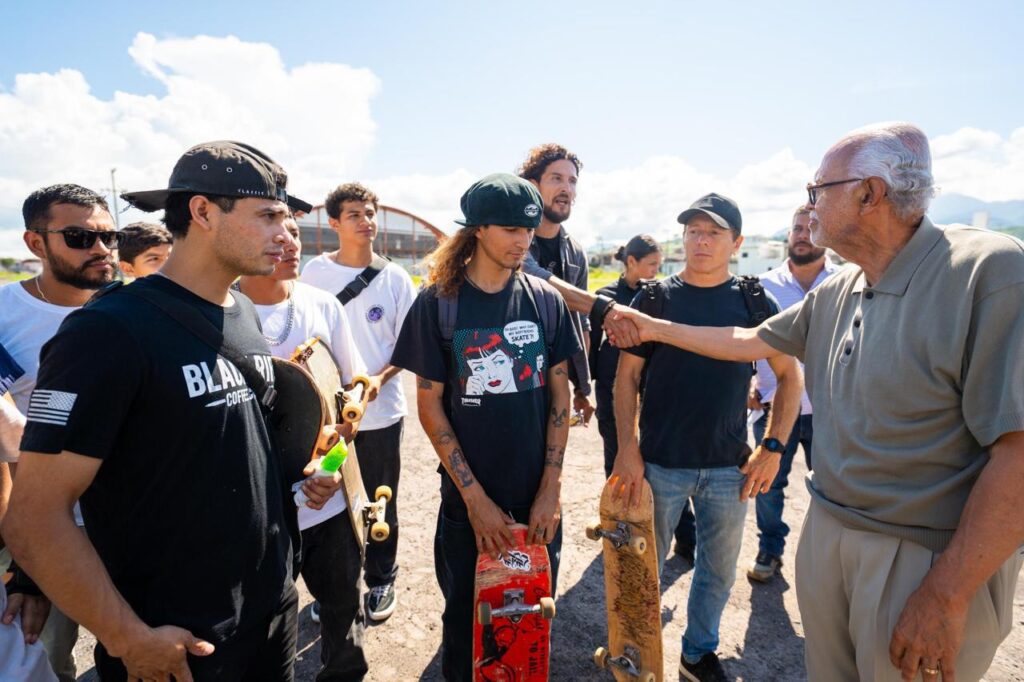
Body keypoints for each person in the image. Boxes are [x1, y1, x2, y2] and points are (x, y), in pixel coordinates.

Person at [608, 122, 1024, 682]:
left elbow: (1018, 453)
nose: (807, 209)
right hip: (830, 534)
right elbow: (748, 342)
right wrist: (653, 325)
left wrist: (948, 593)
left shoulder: (988, 270)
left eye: (817, 190)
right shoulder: (839, 286)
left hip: (920, 556)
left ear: (869, 193)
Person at [3, 140, 343, 681]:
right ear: (203, 212)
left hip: (271, 612)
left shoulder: (242, 310)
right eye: (269, 216)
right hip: (178, 644)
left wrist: (299, 477)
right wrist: (127, 638)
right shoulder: (107, 332)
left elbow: (225, 446)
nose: (286, 233)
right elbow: (34, 518)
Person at [391, 173, 579, 681]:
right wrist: (475, 502)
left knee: (531, 620)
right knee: (465, 627)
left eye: (529, 228)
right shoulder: (438, 304)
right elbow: (430, 407)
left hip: (536, 504)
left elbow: (561, 393)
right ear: (477, 229)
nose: (523, 240)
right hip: (466, 508)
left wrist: (551, 489)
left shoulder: (545, 300)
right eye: (510, 229)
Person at [612, 193, 802, 682]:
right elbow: (625, 381)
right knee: (640, 572)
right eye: (693, 231)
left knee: (716, 572)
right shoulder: (654, 298)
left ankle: (697, 653)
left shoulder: (753, 300)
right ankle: (635, 654)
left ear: (736, 243)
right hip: (659, 463)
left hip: (727, 467)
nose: (700, 240)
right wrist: (628, 452)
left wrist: (773, 448)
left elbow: (789, 376)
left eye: (713, 233)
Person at [236, 215, 370, 680]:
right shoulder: (216, 313)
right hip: (253, 515)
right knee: (261, 631)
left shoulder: (322, 306)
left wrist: (332, 466)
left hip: (326, 506)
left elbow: (356, 396)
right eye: (275, 230)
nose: (290, 242)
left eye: (294, 232)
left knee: (343, 615)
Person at [0, 183, 119, 682]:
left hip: (130, 517)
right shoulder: (5, 314)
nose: (101, 250)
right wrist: (29, 557)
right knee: (42, 657)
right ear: (35, 243)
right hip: (43, 526)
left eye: (110, 237)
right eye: (79, 237)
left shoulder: (137, 310)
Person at [300, 182, 416, 622]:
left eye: (370, 213)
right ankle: (337, 588)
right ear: (334, 223)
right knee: (329, 497)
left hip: (381, 417)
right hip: (328, 423)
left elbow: (409, 346)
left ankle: (381, 580)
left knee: (381, 498)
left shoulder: (396, 278)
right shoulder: (313, 273)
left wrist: (374, 383)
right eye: (354, 214)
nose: (366, 221)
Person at [589, 235, 697, 564]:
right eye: (651, 264)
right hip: (614, 397)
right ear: (631, 262)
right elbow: (592, 348)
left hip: (656, 399)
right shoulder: (605, 300)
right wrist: (586, 389)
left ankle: (686, 540)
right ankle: (622, 530)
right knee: (619, 464)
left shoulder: (661, 297)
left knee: (665, 471)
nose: (656, 270)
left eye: (659, 265)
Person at [746, 205, 838, 583]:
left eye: (811, 227)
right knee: (767, 485)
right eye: (796, 227)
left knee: (833, 489)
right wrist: (747, 382)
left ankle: (830, 557)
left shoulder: (849, 283)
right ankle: (770, 549)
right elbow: (746, 341)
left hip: (830, 409)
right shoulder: (763, 286)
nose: (802, 233)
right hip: (774, 404)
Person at [517, 143, 595, 424]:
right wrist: (604, 308)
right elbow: (531, 272)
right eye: (556, 178)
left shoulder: (576, 251)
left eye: (572, 181)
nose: (567, 188)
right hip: (514, 374)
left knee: (551, 465)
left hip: (557, 380)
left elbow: (581, 324)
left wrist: (582, 387)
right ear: (532, 185)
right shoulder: (511, 237)